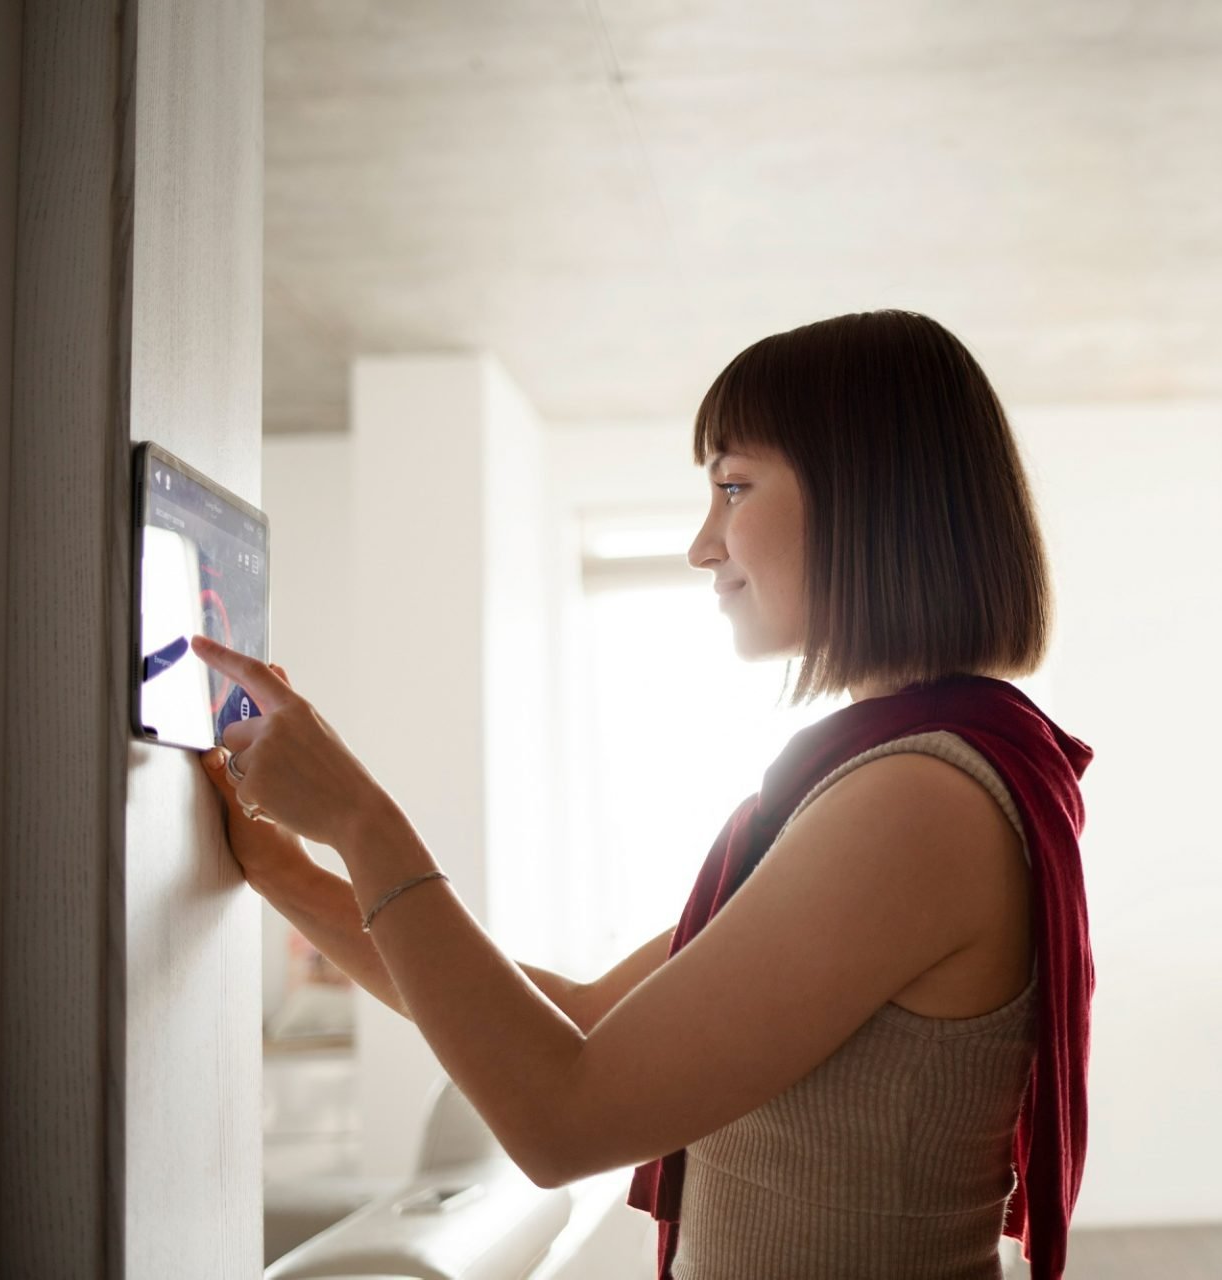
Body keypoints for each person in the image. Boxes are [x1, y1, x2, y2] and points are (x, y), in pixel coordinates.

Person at [197, 309, 1096, 1279]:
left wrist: (360, 819)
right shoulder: (895, 778)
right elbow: (577, 1020)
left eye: (734, 486)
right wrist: (283, 865)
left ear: (870, 500)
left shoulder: (916, 800)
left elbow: (562, 1116)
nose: (703, 544)